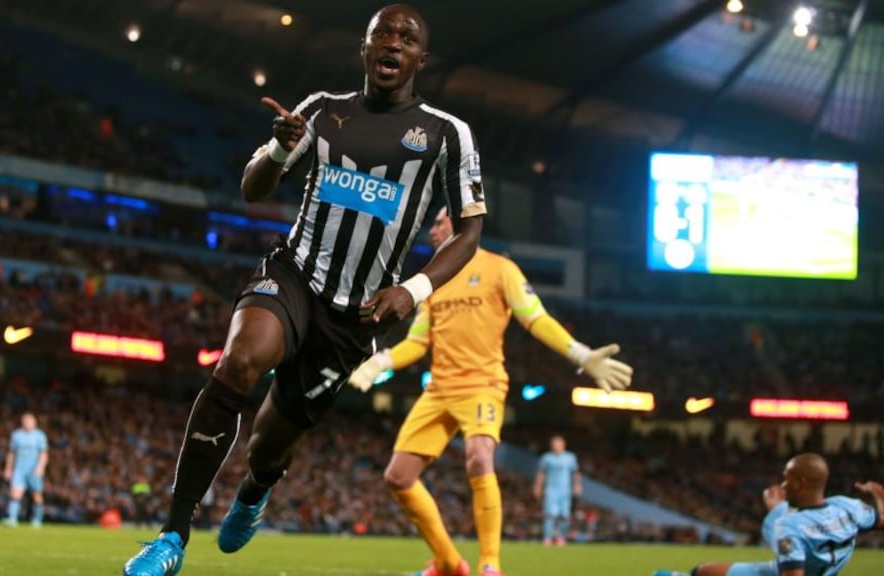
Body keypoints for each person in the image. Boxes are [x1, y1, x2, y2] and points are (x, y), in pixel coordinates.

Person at [123, 5, 485, 575]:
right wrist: (276, 149)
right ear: (365, 50)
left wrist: (413, 289)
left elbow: (469, 232)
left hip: (356, 316)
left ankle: (256, 488)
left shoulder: (446, 134)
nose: (393, 43)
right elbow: (252, 188)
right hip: (294, 275)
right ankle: (171, 536)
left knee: (269, 444)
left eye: (406, 37)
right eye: (381, 34)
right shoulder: (321, 109)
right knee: (238, 363)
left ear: (421, 58)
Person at [347, 208, 632, 576]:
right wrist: (380, 362)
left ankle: (490, 566)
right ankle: (450, 564)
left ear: (461, 224)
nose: (431, 230)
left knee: (480, 457)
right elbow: (418, 343)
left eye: (439, 222)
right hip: (439, 389)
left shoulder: (501, 269)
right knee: (397, 476)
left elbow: (535, 318)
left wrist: (580, 354)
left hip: (483, 385)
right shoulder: (432, 279)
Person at [653, 453, 884, 576]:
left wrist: (776, 511)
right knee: (703, 571)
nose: (783, 485)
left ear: (800, 482)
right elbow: (880, 519)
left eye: (787, 478)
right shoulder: (848, 507)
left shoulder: (789, 526)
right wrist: (878, 497)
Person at [533, 435, 582, 546]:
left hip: (565, 490)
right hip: (551, 489)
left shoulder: (570, 457)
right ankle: (547, 538)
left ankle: (561, 537)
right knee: (550, 514)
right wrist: (537, 486)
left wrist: (577, 485)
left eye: (558, 444)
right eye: (554, 444)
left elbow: (576, 472)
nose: (556, 446)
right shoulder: (546, 458)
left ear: (563, 445)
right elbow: (541, 473)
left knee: (565, 514)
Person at [3, 412, 48, 528]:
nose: (27, 423)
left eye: (30, 421)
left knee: (36, 494)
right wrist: (8, 469)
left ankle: (37, 520)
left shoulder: (39, 435)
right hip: (19, 469)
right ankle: (12, 519)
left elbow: (43, 453)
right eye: (25, 421)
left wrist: (41, 467)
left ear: (34, 422)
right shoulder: (17, 435)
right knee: (15, 493)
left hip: (33, 469)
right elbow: (12, 453)